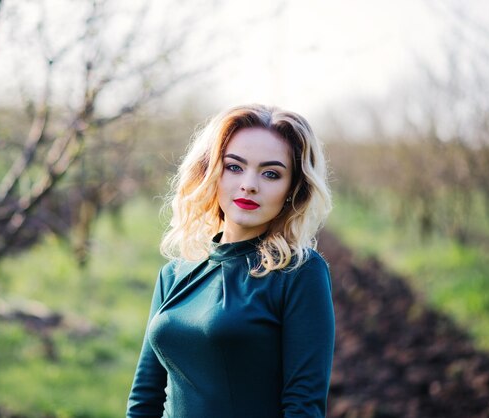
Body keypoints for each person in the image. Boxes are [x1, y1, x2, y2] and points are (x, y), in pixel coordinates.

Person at [126, 104, 335, 418]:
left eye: (271, 173)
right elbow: (145, 398)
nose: (249, 184)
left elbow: (303, 408)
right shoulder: (174, 273)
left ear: (293, 188)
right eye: (235, 166)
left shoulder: (299, 274)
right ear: (211, 172)